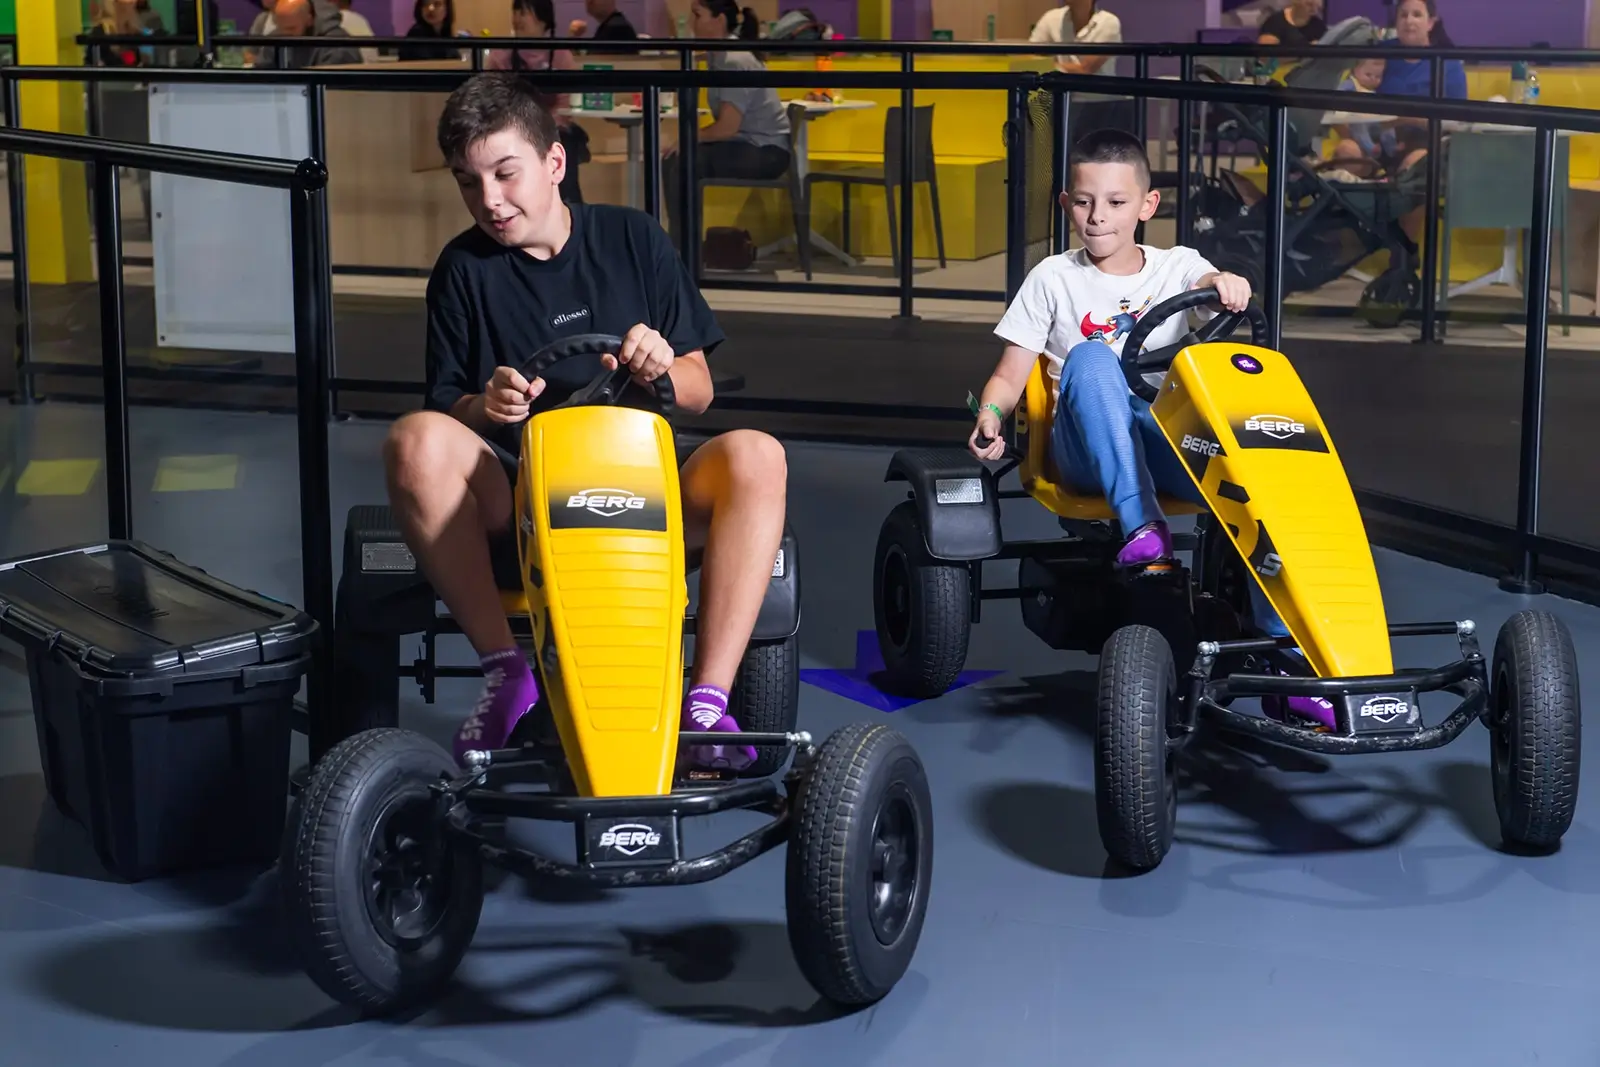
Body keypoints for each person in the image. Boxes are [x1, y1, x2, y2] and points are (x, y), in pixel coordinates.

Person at [385, 72, 789, 768]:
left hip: (645, 489)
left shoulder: (634, 239)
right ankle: (504, 671)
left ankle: (708, 700)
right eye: (468, 182)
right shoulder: (461, 271)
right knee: (411, 440)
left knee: (758, 454)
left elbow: (699, 392)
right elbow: (445, 405)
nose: (490, 200)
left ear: (554, 163)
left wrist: (661, 363)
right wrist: (486, 406)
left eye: (505, 174)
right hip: (521, 497)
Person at [968, 129, 1335, 728]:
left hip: (1164, 442)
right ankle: (1142, 526)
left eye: (1115, 203)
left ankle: (1284, 661)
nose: (1097, 217)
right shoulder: (1053, 278)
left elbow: (1207, 286)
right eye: (1084, 201)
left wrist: (1225, 284)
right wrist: (989, 416)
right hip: (1082, 450)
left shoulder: (1179, 266)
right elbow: (1011, 374)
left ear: (1146, 206)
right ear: (1066, 204)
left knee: (1266, 485)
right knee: (1091, 357)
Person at [661, 0, 791, 242]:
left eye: (697, 15)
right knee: (674, 159)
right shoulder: (717, 56)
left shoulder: (735, 60)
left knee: (683, 161)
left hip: (766, 151)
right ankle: (682, 243)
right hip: (747, 144)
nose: (692, 23)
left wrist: (688, 138)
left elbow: (727, 128)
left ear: (719, 20)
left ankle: (682, 248)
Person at [487, 0, 588, 204]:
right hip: (512, 128)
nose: (517, 18)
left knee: (562, 148)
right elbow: (493, 98)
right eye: (515, 11)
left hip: (552, 130)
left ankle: (571, 211)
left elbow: (566, 101)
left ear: (543, 19)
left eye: (524, 12)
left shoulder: (560, 54)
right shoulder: (501, 56)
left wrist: (543, 125)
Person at [1029, 0, 1122, 75]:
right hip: (1059, 94)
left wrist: (1048, 67)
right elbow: (1031, 56)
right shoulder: (1051, 18)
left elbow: (1085, 68)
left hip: (1099, 96)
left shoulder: (1108, 22)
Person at [261, 0, 363, 67]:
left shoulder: (338, 46)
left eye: (291, 28)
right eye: (280, 28)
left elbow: (333, 90)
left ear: (309, 20)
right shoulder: (277, 36)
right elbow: (262, 73)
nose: (284, 34)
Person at [1255, 0, 1326, 47]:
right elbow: (1265, 57)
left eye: (1317, 6)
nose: (1314, 9)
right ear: (1296, 2)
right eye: (1309, 4)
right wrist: (1305, 51)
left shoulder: (1318, 25)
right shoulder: (1275, 22)